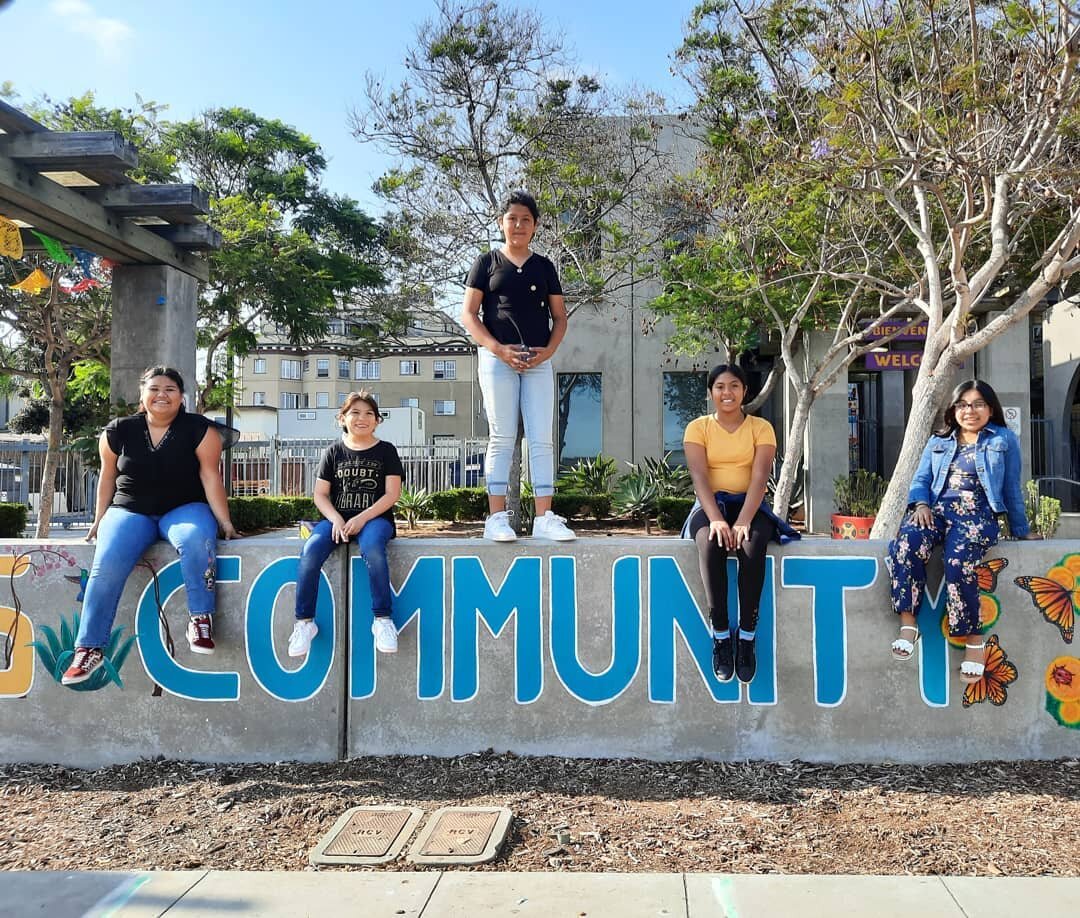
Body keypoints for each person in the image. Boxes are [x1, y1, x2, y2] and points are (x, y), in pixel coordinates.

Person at [62, 366, 238, 685]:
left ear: (182, 397)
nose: (162, 394)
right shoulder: (118, 430)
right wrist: (99, 519)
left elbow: (211, 475)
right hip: (130, 509)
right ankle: (89, 648)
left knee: (197, 541)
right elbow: (108, 477)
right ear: (142, 395)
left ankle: (200, 619)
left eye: (170, 389)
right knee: (107, 560)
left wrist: (225, 521)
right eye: (154, 388)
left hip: (185, 507)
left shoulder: (200, 429)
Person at [888, 379, 1038, 682]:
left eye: (978, 404)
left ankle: (973, 641)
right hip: (937, 513)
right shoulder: (938, 441)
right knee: (906, 544)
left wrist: (1021, 529)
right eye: (963, 404)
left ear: (990, 408)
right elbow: (920, 480)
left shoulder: (1003, 440)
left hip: (978, 516)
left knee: (957, 561)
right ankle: (909, 624)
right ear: (954, 409)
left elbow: (1011, 488)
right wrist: (921, 505)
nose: (970, 410)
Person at [462, 190, 575, 542]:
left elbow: (559, 317)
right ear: (501, 222)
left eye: (526, 219)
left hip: (538, 361)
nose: (519, 225)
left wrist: (547, 352)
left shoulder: (544, 267)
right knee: (503, 436)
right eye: (512, 218)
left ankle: (545, 517)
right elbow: (469, 315)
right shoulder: (486, 263)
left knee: (541, 439)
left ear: (536, 225)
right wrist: (498, 349)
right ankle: (496, 518)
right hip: (498, 361)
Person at [682, 365, 799, 685]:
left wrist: (745, 520)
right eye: (720, 387)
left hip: (749, 504)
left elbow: (760, 477)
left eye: (734, 386)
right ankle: (720, 635)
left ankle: (746, 636)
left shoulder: (761, 428)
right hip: (710, 505)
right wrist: (717, 521)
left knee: (753, 545)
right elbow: (699, 477)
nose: (727, 392)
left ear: (745, 391)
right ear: (711, 393)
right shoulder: (698, 427)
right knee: (709, 542)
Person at [288, 391, 403, 658]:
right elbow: (319, 494)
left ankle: (382, 619)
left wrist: (362, 517)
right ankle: (304, 623)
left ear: (377, 420)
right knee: (310, 551)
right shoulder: (333, 452)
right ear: (342, 418)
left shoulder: (386, 451)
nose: (361, 418)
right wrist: (337, 519)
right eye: (355, 413)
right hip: (337, 521)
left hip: (375, 520)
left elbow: (392, 494)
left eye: (368, 414)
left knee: (373, 547)